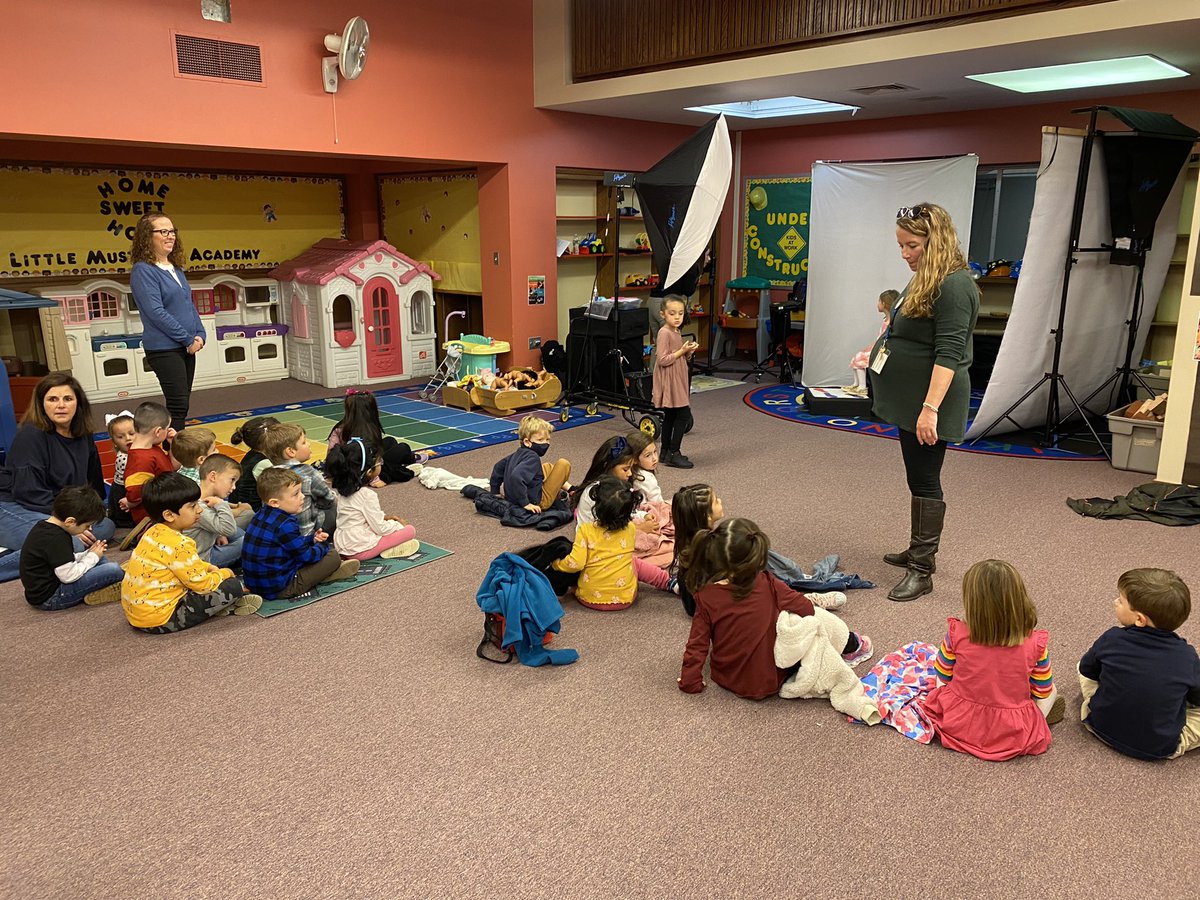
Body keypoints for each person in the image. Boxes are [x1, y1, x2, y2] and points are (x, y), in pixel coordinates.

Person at [870, 203, 979, 601]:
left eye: (911, 245)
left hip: (929, 402)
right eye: (900, 245)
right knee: (916, 477)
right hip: (910, 400)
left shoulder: (955, 285)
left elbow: (949, 352)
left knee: (927, 481)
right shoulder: (926, 277)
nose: (904, 254)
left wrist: (930, 409)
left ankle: (923, 569)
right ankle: (916, 549)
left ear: (935, 241)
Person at [677, 517, 872, 699]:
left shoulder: (705, 595)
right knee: (812, 617)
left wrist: (690, 681)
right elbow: (806, 609)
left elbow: (697, 645)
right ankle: (851, 644)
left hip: (728, 677)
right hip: (773, 678)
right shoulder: (767, 582)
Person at [923, 559, 1063, 761]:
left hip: (958, 721)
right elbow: (1042, 690)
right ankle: (1035, 724)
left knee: (943, 679)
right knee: (1051, 690)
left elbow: (943, 676)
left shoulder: (957, 633)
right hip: (1010, 726)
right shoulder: (1035, 644)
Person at [0, 373, 115, 582]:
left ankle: (46, 552)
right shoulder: (31, 435)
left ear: (78, 403)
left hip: (56, 509)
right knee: (72, 543)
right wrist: (67, 527)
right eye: (53, 399)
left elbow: (93, 482)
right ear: (41, 404)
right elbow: (29, 493)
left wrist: (90, 515)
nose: (60, 405)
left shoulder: (83, 434)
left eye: (67, 399)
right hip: (12, 503)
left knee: (105, 526)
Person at [1078, 568, 1200, 761]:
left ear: (1140, 619)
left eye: (1120, 600)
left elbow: (1087, 670)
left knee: (1083, 665)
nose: (1115, 602)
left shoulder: (1112, 637)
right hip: (1158, 746)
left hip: (1098, 724)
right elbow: (1197, 697)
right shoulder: (1187, 656)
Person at [120, 473, 262, 632]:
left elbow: (183, 565)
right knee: (232, 585)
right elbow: (203, 585)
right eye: (192, 506)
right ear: (169, 514)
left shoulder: (153, 532)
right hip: (162, 620)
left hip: (138, 615)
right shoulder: (180, 543)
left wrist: (207, 567)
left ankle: (220, 606)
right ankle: (227, 601)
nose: (200, 510)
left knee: (204, 578)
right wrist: (225, 573)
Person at [129, 213, 206, 434]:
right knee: (178, 405)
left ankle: (175, 449)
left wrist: (200, 335)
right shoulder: (143, 270)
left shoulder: (175, 268)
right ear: (147, 236)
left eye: (172, 231)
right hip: (164, 348)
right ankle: (174, 453)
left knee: (182, 405)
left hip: (186, 346)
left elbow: (188, 305)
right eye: (163, 231)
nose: (170, 236)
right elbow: (155, 312)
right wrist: (187, 338)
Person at [552, 475, 673, 610]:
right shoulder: (631, 529)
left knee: (588, 561)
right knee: (634, 562)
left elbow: (575, 563)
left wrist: (556, 563)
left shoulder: (585, 530)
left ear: (596, 507)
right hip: (625, 599)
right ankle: (667, 581)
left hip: (589, 598)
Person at [242, 468, 359, 600]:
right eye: (296, 494)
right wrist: (323, 545)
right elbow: (307, 557)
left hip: (254, 584)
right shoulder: (286, 524)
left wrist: (312, 539)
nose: (303, 496)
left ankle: (324, 573)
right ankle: (326, 574)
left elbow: (289, 544)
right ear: (275, 502)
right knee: (333, 555)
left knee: (315, 552)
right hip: (281, 588)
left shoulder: (260, 515)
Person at [19, 485, 124, 610]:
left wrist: (87, 554)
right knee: (114, 569)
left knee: (100, 560)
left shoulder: (46, 527)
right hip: (52, 597)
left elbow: (61, 560)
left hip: (52, 582)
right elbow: (69, 576)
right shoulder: (57, 538)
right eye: (87, 525)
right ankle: (117, 583)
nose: (90, 529)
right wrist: (92, 556)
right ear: (70, 522)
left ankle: (104, 586)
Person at [327, 439, 420, 561]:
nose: (381, 464)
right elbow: (380, 528)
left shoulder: (343, 490)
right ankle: (387, 548)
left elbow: (362, 516)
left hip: (342, 544)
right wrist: (397, 525)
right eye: (379, 462)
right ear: (370, 471)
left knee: (383, 527)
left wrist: (387, 518)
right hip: (359, 550)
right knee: (410, 531)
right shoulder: (366, 495)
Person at [328, 389, 430, 486]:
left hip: (354, 463)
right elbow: (371, 459)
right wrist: (374, 476)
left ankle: (404, 460)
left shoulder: (340, 427)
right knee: (403, 448)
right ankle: (407, 460)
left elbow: (331, 454)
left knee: (390, 441)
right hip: (362, 469)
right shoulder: (365, 430)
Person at [264, 422, 337, 536]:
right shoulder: (308, 472)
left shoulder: (268, 475)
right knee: (336, 502)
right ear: (291, 451)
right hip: (307, 532)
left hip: (277, 531)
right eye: (303, 442)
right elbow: (328, 499)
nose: (308, 444)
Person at [488, 415, 571, 514]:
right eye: (540, 440)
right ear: (527, 442)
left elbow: (498, 467)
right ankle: (570, 490)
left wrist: (495, 491)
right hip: (538, 501)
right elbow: (516, 477)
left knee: (548, 466)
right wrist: (525, 503)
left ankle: (570, 488)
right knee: (563, 464)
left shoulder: (516, 454)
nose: (546, 443)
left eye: (548, 439)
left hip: (512, 498)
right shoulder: (533, 458)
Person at [654, 296, 699, 469]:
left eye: (680, 313)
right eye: (672, 313)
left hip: (677, 376)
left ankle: (665, 452)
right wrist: (682, 351)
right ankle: (674, 452)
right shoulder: (664, 332)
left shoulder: (676, 331)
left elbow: (678, 355)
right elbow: (663, 359)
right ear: (663, 314)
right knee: (683, 414)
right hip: (670, 378)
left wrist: (688, 351)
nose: (677, 317)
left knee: (671, 415)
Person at [186, 454, 248, 567]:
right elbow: (229, 530)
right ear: (213, 476)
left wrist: (219, 534)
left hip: (206, 548)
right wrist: (221, 504)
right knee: (249, 542)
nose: (234, 487)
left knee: (247, 536)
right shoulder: (199, 507)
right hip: (202, 560)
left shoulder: (199, 495)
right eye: (232, 480)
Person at [122, 401, 176, 526]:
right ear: (158, 432)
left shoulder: (152, 448)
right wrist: (131, 502)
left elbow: (171, 467)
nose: (168, 431)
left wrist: (173, 445)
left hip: (164, 509)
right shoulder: (140, 460)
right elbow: (135, 494)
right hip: (153, 518)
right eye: (166, 428)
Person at [569, 435, 638, 525]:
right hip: (595, 534)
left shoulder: (620, 485)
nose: (630, 473)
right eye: (625, 469)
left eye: (631, 468)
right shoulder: (595, 492)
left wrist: (643, 516)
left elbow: (628, 512)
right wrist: (638, 529)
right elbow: (599, 530)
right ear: (608, 466)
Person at [845, 289, 897, 396]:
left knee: (860, 358)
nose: (877, 304)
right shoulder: (886, 320)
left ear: (884, 303)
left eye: (879, 301)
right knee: (858, 356)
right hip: (878, 346)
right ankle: (856, 384)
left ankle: (862, 387)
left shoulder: (890, 323)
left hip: (882, 350)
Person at [229, 415, 279, 510]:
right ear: (270, 441)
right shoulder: (263, 463)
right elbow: (279, 489)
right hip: (251, 512)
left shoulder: (253, 454)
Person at [105, 412, 136, 528]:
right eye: (120, 437)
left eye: (132, 433)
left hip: (130, 487)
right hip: (124, 490)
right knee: (124, 517)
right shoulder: (124, 458)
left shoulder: (135, 452)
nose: (128, 438)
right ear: (114, 442)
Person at [626, 430, 663, 503]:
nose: (654, 458)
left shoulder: (630, 472)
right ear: (635, 459)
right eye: (648, 455)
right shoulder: (647, 478)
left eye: (655, 451)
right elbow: (657, 502)